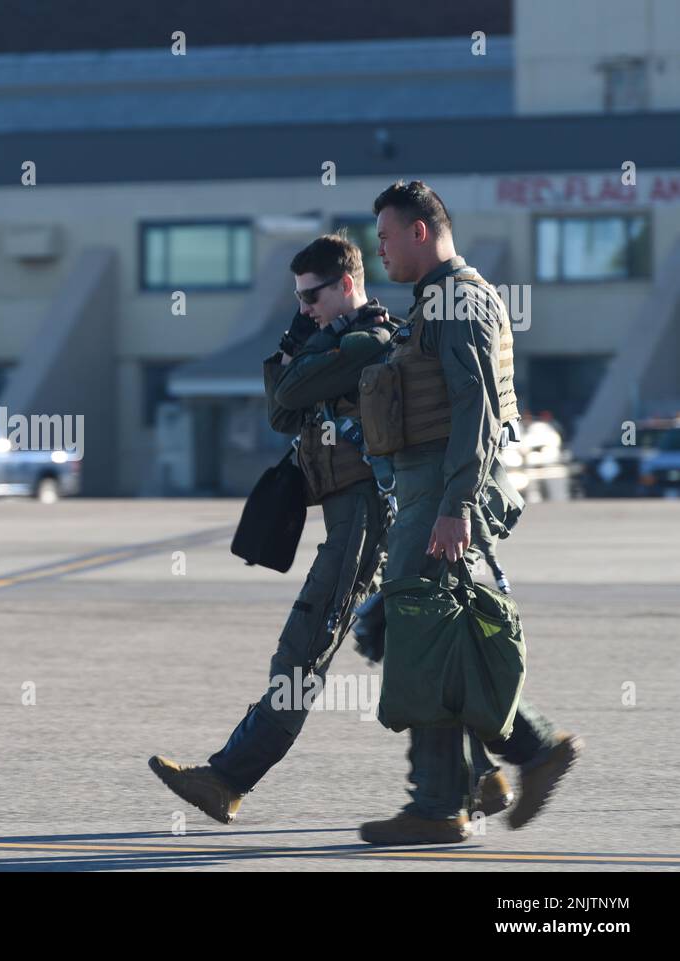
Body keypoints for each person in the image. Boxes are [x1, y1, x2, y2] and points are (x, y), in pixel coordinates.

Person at [147, 234, 509, 824]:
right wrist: (301, 338)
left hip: (366, 513)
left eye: (310, 297)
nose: (304, 309)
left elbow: (292, 390)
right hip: (353, 509)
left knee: (308, 641)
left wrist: (305, 350)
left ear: (346, 284)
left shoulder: (370, 340)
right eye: (296, 300)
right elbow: (281, 413)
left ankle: (229, 779)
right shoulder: (331, 341)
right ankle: (483, 773)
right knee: (403, 642)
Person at [357, 181, 582, 846]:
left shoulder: (458, 299)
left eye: (387, 237)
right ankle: (468, 784)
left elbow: (479, 413)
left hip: (444, 493)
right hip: (431, 489)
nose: (381, 251)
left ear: (420, 232)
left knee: (423, 639)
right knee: (425, 638)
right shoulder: (436, 300)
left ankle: (465, 788)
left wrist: (453, 507)